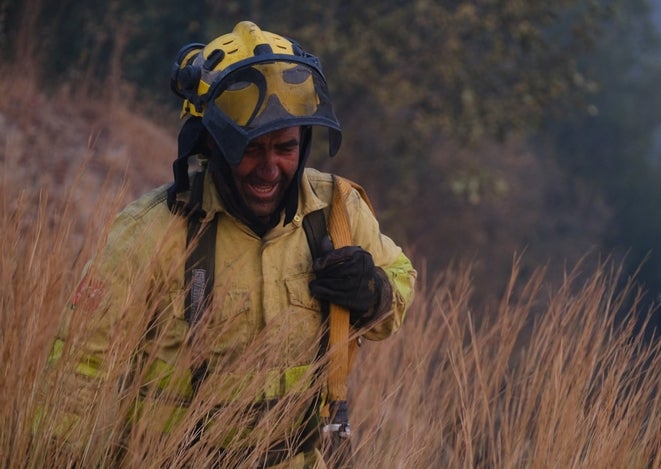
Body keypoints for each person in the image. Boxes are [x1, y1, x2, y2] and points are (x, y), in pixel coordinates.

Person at [45, 20, 416, 467]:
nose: (270, 167)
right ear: (213, 145)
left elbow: (400, 284)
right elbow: (82, 361)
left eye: (285, 147)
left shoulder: (337, 212)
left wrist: (372, 292)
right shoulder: (152, 231)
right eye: (250, 148)